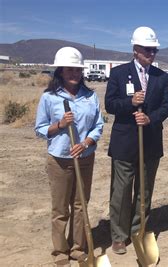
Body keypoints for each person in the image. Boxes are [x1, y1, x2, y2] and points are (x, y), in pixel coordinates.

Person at [105, 26, 168, 254]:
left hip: (151, 142)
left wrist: (150, 119)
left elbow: (167, 106)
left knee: (144, 191)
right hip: (124, 143)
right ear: (135, 49)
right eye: (147, 49)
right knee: (121, 191)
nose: (151, 54)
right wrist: (131, 103)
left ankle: (138, 230)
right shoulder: (118, 73)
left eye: (154, 50)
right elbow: (110, 104)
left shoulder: (161, 77)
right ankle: (118, 235)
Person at [35, 47, 104, 267]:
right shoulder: (49, 98)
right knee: (60, 208)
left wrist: (86, 142)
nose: (74, 73)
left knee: (81, 205)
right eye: (70, 69)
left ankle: (77, 248)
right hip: (60, 159)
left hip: (85, 158)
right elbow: (40, 129)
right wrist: (60, 125)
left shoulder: (90, 96)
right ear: (61, 71)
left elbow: (98, 126)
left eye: (78, 69)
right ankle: (59, 251)